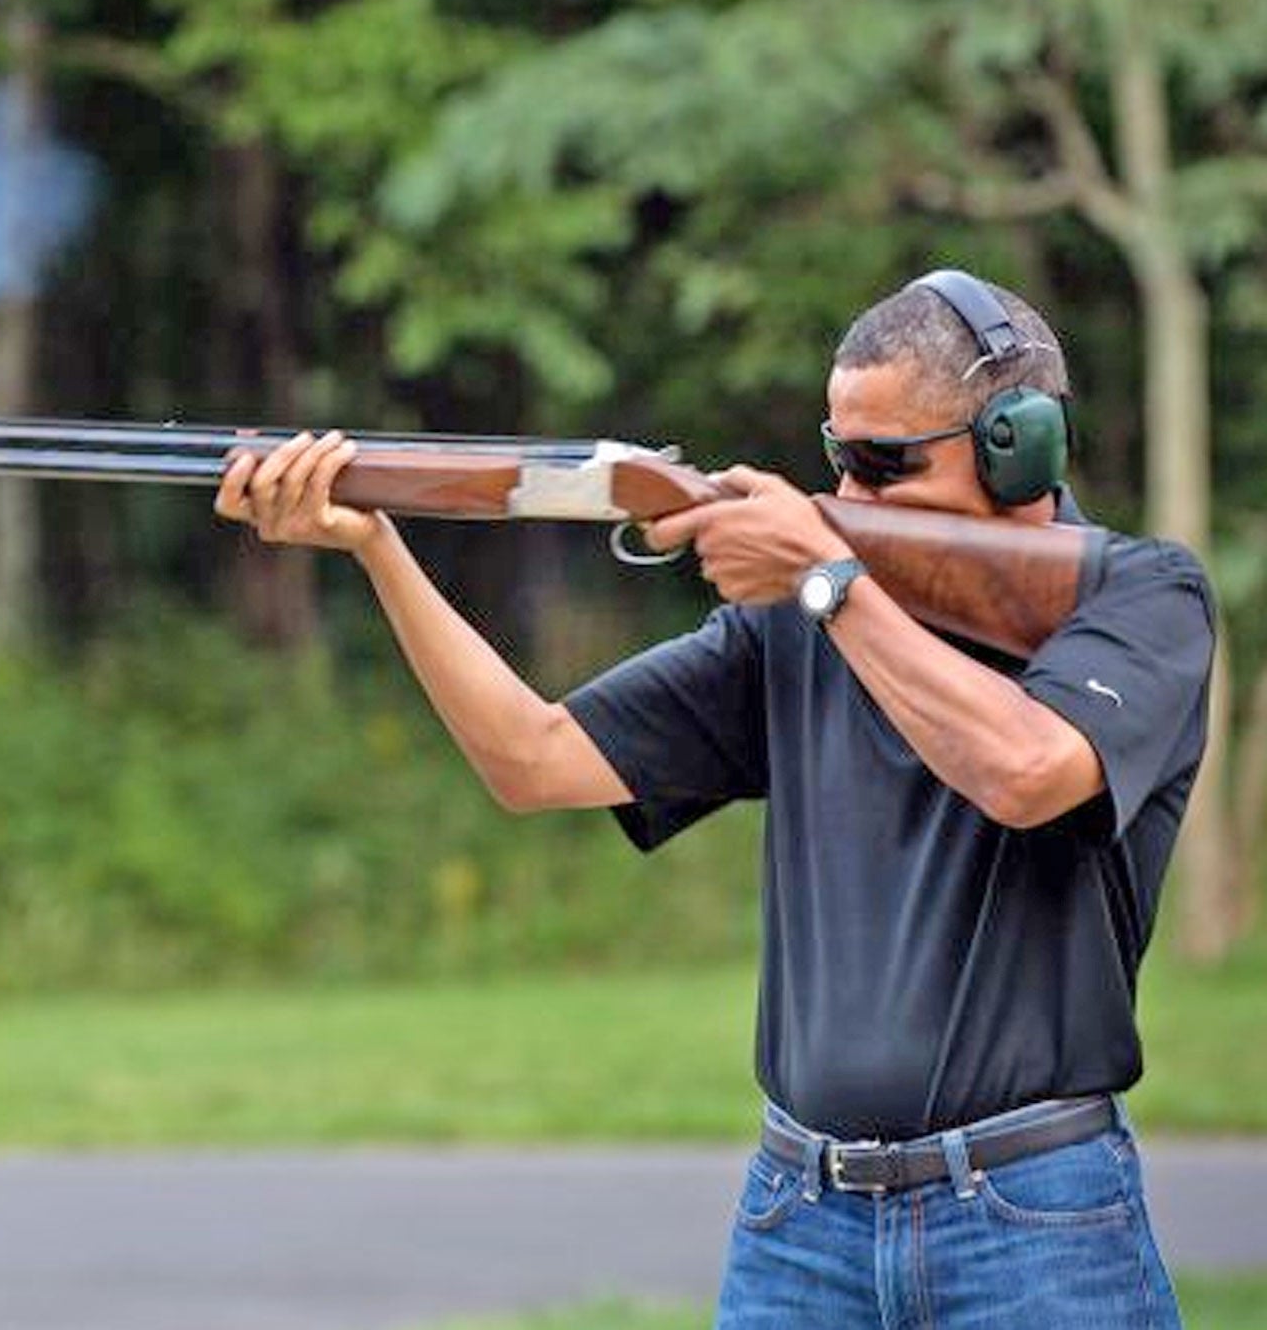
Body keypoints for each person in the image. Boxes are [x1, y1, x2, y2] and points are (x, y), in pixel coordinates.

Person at [213, 270, 1214, 1329]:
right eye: (837, 457)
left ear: (1020, 448)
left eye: (882, 465)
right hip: (802, 1218)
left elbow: (1023, 772)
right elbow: (530, 759)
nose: (847, 492)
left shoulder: (1137, 598)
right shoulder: (796, 621)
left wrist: (827, 582)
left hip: (1030, 1217)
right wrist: (376, 544)